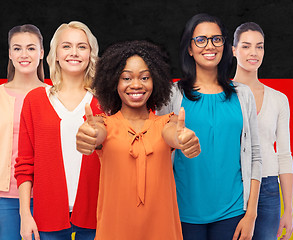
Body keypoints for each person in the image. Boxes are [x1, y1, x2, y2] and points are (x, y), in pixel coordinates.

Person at [76, 40, 201, 240]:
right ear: (113, 82)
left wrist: (183, 139)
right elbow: (96, 132)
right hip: (115, 230)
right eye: (126, 78)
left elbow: (173, 134)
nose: (136, 84)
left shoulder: (167, 121)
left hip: (161, 230)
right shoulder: (103, 124)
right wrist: (88, 135)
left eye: (145, 77)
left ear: (156, 82)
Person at [156, 13, 262, 240]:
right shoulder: (172, 95)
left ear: (225, 45)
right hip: (182, 213)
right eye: (201, 40)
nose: (210, 46)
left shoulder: (243, 95)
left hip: (233, 213)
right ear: (190, 48)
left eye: (216, 39)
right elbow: (159, 152)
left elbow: (255, 156)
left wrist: (251, 214)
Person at [14, 21, 101, 240]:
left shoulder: (105, 101)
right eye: (67, 46)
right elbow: (25, 163)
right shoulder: (34, 100)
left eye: (82, 46)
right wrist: (25, 215)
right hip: (47, 218)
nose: (74, 52)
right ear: (56, 54)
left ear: (91, 53)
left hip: (97, 216)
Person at [0, 24, 47, 240]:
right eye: (17, 48)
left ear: (42, 53)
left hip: (45, 198)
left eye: (31, 48)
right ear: (9, 53)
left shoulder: (54, 95)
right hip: (3, 201)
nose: (24, 54)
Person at [232, 22, 293, 240]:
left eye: (259, 46)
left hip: (268, 188)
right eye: (246, 46)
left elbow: (284, 155)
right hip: (231, 185)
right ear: (234, 50)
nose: (254, 53)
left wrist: (289, 210)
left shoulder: (279, 100)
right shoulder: (223, 95)